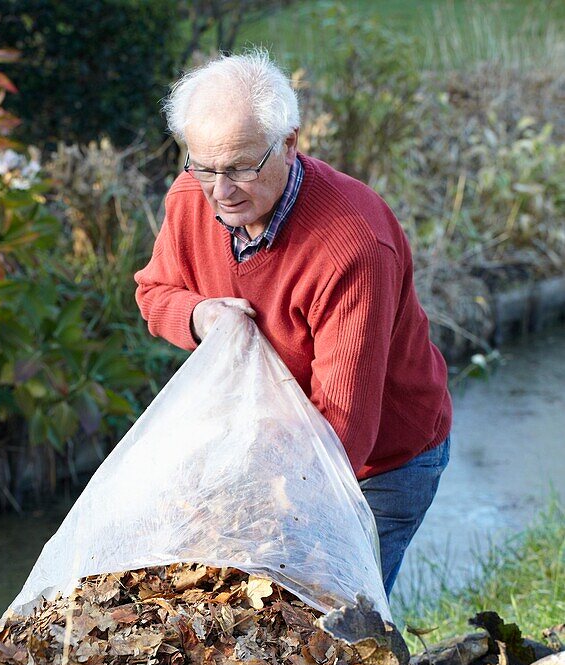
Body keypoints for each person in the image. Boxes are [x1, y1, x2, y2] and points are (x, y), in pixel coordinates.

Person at [135, 49, 452, 596]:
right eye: (203, 165)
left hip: (381, 463)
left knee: (342, 621)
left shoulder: (352, 246)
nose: (220, 190)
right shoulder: (194, 196)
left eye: (238, 168)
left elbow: (344, 429)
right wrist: (200, 315)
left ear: (288, 143)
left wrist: (266, 517)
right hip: (267, 444)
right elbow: (153, 292)